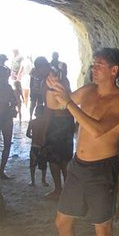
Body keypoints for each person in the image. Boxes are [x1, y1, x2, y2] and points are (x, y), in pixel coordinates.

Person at [44, 47, 119, 236]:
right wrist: (53, 87)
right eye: (93, 64)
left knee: (103, 232)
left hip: (101, 170)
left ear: (114, 71)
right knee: (62, 222)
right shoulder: (88, 91)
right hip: (79, 166)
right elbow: (54, 105)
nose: (93, 68)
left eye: (99, 65)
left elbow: (96, 130)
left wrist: (69, 102)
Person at [43, 61, 75, 199]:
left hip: (58, 123)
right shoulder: (64, 82)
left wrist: (44, 129)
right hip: (65, 122)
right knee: (62, 158)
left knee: (57, 159)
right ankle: (63, 190)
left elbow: (50, 109)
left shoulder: (58, 83)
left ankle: (60, 190)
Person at [27, 105, 50, 186]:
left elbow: (27, 134)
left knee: (32, 164)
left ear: (35, 113)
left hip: (34, 146)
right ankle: (43, 180)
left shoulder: (32, 122)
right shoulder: (46, 123)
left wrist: (33, 137)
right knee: (43, 165)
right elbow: (48, 134)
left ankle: (32, 181)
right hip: (43, 146)